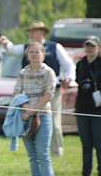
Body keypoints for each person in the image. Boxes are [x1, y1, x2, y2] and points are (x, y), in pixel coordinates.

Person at [6, 21, 76, 156]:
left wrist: (69, 78)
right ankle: (35, 149)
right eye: (31, 31)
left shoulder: (55, 47)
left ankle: (56, 151)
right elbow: (12, 50)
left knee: (54, 122)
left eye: (35, 31)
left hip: (51, 92)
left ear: (42, 32)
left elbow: (69, 65)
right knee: (30, 120)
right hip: (30, 93)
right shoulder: (27, 47)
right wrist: (5, 42)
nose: (32, 34)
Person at [13, 41, 57, 176]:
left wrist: (32, 110)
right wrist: (26, 110)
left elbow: (48, 94)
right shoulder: (23, 72)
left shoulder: (48, 72)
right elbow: (17, 93)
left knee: (43, 152)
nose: (34, 55)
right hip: (25, 116)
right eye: (31, 52)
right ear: (27, 55)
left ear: (43, 54)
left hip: (43, 115)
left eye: (37, 52)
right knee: (32, 154)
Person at [75, 36, 101, 176]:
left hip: (98, 109)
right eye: (87, 46)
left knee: (99, 143)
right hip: (82, 108)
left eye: (92, 46)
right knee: (86, 144)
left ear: (98, 47)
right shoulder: (80, 64)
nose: (90, 49)